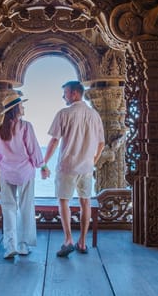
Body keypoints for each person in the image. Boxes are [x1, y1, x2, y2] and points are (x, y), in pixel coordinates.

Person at [41, 81, 105, 257]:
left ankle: (68, 239)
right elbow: (101, 143)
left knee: (63, 201)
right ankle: (82, 243)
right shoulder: (94, 115)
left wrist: (44, 162)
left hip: (67, 166)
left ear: (75, 93)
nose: (64, 96)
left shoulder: (64, 113)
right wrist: (93, 161)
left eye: (66, 93)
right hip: (86, 167)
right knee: (86, 202)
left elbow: (54, 141)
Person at [0, 92, 44, 259]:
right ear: (15, 109)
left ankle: (10, 246)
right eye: (21, 105)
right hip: (25, 172)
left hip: (6, 172)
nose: (23, 107)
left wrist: (3, 165)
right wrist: (41, 165)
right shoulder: (26, 126)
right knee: (26, 207)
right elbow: (33, 150)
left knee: (8, 209)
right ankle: (22, 246)